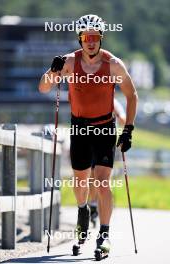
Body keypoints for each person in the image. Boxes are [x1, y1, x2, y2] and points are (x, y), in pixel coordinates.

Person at [39, 14, 138, 255]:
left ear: (100, 38)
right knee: (80, 182)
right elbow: (43, 88)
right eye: (86, 37)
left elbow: (131, 95)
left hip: (104, 128)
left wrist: (128, 129)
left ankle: (103, 236)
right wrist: (52, 72)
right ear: (80, 39)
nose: (90, 42)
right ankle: (83, 211)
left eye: (95, 37)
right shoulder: (69, 62)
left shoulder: (113, 64)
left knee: (103, 183)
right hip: (80, 129)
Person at [89, 98, 126, 227]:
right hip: (89, 138)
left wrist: (122, 119)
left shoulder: (112, 99)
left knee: (101, 178)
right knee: (92, 174)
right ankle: (92, 204)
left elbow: (122, 116)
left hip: (106, 140)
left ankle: (96, 205)